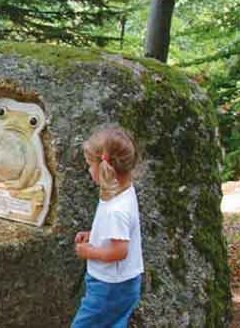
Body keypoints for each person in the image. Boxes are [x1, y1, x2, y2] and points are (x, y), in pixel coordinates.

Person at [71, 125, 144, 328]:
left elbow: (120, 251)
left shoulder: (116, 209)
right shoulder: (124, 192)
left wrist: (89, 251)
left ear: (104, 166)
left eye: (89, 164)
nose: (88, 170)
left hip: (110, 285)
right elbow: (119, 233)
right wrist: (94, 235)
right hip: (122, 283)